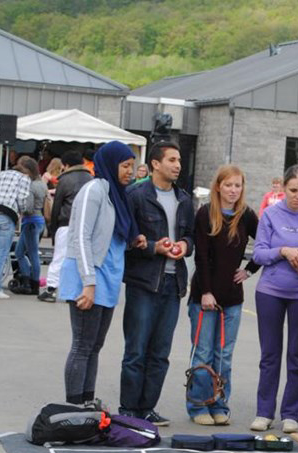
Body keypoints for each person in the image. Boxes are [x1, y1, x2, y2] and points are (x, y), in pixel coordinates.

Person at [58, 142, 140, 406]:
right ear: (110, 163)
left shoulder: (117, 193)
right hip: (89, 277)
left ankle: (86, 403)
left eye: (133, 166)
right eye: (125, 166)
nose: (130, 171)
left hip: (108, 278)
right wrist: (88, 283)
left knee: (94, 346)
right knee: (82, 345)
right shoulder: (93, 189)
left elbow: (113, 235)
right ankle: (73, 407)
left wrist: (135, 238)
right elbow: (80, 236)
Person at [120, 141, 195, 425]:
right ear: (155, 163)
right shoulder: (136, 195)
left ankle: (147, 408)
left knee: (160, 353)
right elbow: (126, 239)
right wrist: (154, 247)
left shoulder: (184, 199)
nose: (177, 165)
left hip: (173, 283)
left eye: (179, 160)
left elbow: (191, 236)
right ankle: (128, 409)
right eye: (172, 160)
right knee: (136, 350)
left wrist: (185, 245)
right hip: (143, 283)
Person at [251, 164, 298, 433]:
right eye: (292, 190)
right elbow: (258, 253)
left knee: (297, 355)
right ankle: (264, 411)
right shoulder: (271, 214)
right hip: (270, 291)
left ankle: (291, 413)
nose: (297, 195)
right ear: (283, 188)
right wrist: (282, 250)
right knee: (269, 355)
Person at [187, 164, 259, 425]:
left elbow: (264, 244)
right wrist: (206, 292)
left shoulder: (246, 215)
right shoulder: (206, 214)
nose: (233, 190)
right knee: (203, 352)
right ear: (218, 186)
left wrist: (250, 269)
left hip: (232, 298)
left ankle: (219, 403)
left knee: (224, 354)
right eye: (228, 185)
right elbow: (202, 256)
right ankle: (198, 405)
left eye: (237, 185)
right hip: (205, 296)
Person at [40, 151, 93, 302]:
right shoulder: (91, 178)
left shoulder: (65, 179)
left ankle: (51, 289)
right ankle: (75, 292)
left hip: (66, 223)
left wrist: (53, 227)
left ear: (66, 165)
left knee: (60, 257)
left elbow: (57, 206)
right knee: (79, 259)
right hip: (85, 225)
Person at [0, 157, 32, 299]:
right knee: (2, 254)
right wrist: (20, 211)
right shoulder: (23, 178)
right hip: (6, 214)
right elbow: (22, 199)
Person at [10, 157, 47, 295]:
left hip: (30, 221)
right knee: (21, 252)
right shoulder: (42, 183)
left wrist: (19, 207)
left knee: (30, 254)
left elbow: (28, 208)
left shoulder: (31, 186)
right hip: (38, 221)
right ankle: (30, 281)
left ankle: (31, 283)